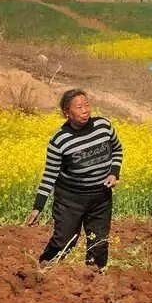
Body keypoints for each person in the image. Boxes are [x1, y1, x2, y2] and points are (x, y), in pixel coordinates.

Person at [25, 89, 123, 269]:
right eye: (79, 107)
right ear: (67, 112)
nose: (85, 110)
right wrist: (38, 207)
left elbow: (117, 149)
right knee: (64, 241)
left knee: (99, 243)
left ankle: (95, 278)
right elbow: (49, 175)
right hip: (70, 200)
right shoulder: (59, 140)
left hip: (100, 197)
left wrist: (114, 172)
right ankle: (44, 270)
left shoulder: (104, 126)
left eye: (87, 105)